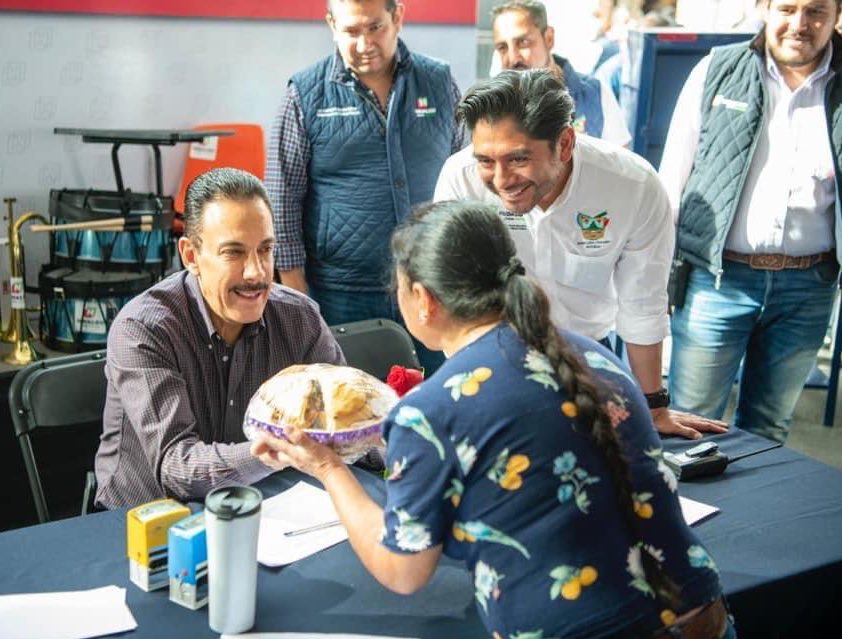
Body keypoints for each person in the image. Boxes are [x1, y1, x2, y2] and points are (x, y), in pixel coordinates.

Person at [251, 200, 734, 639]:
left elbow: (404, 571)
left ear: (423, 299)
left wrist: (329, 469)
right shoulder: (594, 356)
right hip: (701, 616)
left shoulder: (430, 411)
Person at [435, 69, 727, 440]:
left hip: (586, 357)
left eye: (518, 160)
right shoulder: (460, 179)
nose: (501, 180)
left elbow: (643, 303)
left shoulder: (633, 186)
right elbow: (453, 294)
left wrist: (654, 406)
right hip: (489, 358)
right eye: (486, 161)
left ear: (566, 143)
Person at [94, 168, 345, 509]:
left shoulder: (300, 317)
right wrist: (278, 449)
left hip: (268, 508)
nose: (257, 272)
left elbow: (343, 418)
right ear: (191, 256)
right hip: (147, 519)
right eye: (234, 253)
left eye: (265, 250)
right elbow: (177, 466)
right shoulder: (143, 328)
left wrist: (396, 426)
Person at [659, 0, 842, 443]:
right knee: (690, 423)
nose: (800, 24)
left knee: (767, 430)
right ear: (764, 9)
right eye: (787, 8)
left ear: (837, 14)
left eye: (816, 11)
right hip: (717, 283)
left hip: (808, 288)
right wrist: (659, 276)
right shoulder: (717, 70)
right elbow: (672, 181)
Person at [265, 0, 464, 373]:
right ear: (332, 26)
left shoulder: (439, 82)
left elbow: (465, 175)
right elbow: (282, 198)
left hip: (432, 284)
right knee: (350, 415)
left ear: (398, 17)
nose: (364, 42)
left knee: (438, 407)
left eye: (375, 27)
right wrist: (297, 297)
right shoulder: (305, 93)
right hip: (342, 292)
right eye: (351, 31)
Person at [490, 0, 631, 147]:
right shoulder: (492, 107)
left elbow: (623, 165)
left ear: (549, 38)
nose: (513, 59)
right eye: (502, 47)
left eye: (523, 42)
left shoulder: (595, 95)